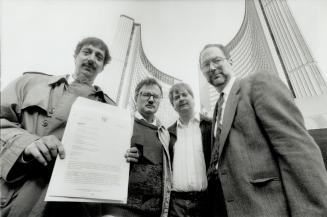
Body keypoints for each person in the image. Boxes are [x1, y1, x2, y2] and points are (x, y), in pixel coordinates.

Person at [199, 44, 327, 217]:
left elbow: (297, 149)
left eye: (216, 60)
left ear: (230, 61)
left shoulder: (257, 83)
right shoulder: (216, 110)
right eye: (206, 65)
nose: (212, 67)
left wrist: (313, 211)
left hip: (266, 207)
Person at [0, 37, 115, 217]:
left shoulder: (111, 110)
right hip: (14, 197)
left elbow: (110, 163)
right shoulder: (29, 83)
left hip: (72, 208)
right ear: (75, 56)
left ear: (102, 67)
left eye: (99, 57)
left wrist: (124, 157)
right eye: (87, 52)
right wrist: (26, 143)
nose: (92, 59)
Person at [103, 78, 172, 217]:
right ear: (136, 97)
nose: (151, 100)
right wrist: (118, 155)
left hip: (154, 211)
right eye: (146, 95)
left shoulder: (165, 133)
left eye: (156, 96)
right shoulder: (121, 122)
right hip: (120, 209)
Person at [167, 83, 211, 217]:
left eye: (185, 95)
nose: (181, 99)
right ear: (173, 105)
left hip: (206, 201)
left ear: (193, 98)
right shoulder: (168, 134)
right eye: (176, 97)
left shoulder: (210, 126)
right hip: (176, 205)